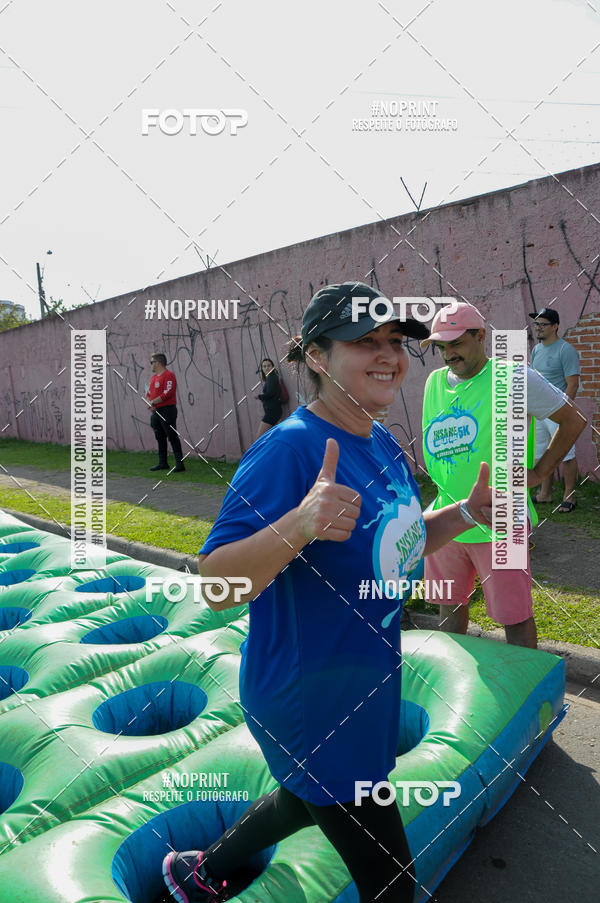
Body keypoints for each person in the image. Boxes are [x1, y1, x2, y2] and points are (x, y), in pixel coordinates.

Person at [162, 282, 496, 903]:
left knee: (301, 797)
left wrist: (460, 513)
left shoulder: (384, 442)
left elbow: (393, 543)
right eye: (363, 342)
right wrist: (299, 524)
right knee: (392, 884)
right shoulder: (288, 450)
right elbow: (216, 586)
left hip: (361, 681)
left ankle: (200, 874)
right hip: (311, 699)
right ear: (316, 357)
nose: (389, 355)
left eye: (395, 341)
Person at [421, 302, 585, 650]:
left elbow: (573, 420)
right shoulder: (434, 382)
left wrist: (541, 472)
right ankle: (454, 682)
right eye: (441, 347)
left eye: (457, 344)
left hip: (503, 521)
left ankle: (527, 696)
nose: (449, 354)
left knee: (515, 616)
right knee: (448, 607)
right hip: (447, 518)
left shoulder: (513, 377)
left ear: (480, 336)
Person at [529, 307, 581, 512]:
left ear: (555, 326)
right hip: (540, 410)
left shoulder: (565, 350)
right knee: (542, 453)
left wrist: (565, 412)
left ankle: (570, 496)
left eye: (543, 324)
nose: (538, 328)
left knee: (566, 452)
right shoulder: (536, 350)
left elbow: (573, 384)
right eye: (537, 324)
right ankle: (545, 493)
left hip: (558, 409)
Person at [145, 352, 185, 472]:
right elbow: (149, 393)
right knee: (159, 437)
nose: (150, 365)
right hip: (156, 412)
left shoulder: (169, 375)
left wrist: (153, 402)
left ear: (157, 363)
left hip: (168, 410)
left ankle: (180, 465)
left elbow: (168, 392)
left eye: (151, 362)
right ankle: (163, 463)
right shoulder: (153, 378)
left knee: (172, 436)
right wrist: (149, 402)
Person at [255, 358, 283, 439]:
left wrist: (259, 396)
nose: (266, 368)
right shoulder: (270, 377)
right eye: (264, 366)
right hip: (272, 411)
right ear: (262, 369)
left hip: (272, 413)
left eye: (268, 365)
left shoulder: (272, 377)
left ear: (272, 367)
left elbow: (270, 394)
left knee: (259, 438)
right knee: (271, 438)